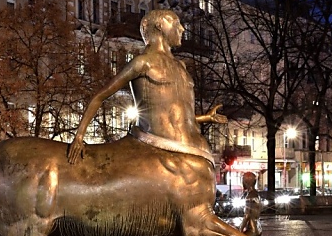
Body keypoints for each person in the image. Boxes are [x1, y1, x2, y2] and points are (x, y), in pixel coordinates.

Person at [68, 8, 223, 164]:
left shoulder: (181, 66)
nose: (182, 29)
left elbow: (178, 116)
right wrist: (79, 136)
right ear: (160, 25)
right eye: (176, 22)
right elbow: (100, 96)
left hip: (194, 150)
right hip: (166, 151)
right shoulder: (143, 63)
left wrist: (206, 117)